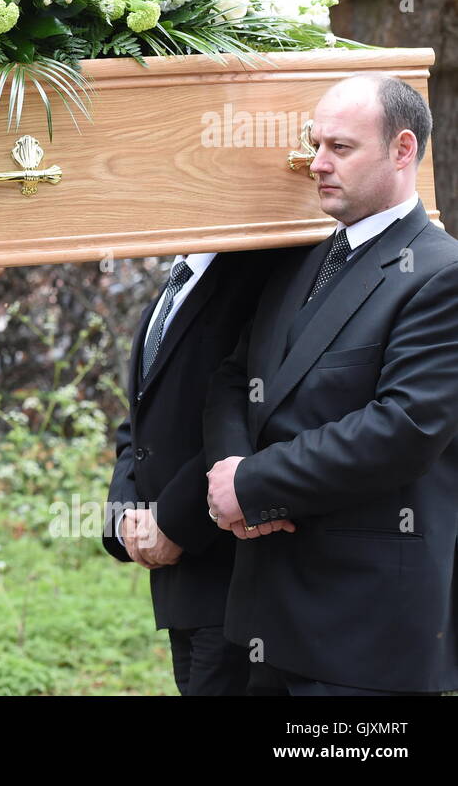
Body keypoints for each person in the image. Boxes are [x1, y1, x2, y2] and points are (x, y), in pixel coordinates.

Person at [205, 72, 458, 695]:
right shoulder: (307, 260)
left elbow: (402, 429)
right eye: (315, 143)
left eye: (339, 148)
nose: (316, 163)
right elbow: (237, 378)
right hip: (267, 611)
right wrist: (234, 469)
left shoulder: (440, 274)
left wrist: (254, 484)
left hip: (367, 627)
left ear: (403, 150)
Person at [102, 247, 277, 695]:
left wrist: (174, 523)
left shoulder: (259, 271)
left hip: (231, 572)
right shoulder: (180, 275)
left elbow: (252, 416)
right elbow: (139, 422)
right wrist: (125, 517)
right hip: (179, 586)